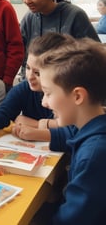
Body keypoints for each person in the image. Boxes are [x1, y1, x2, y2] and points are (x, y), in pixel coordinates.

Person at [36, 38, 106, 224]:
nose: (44, 102)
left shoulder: (95, 154)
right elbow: (70, 135)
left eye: (48, 93)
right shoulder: (92, 128)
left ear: (77, 96)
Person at [0, 32, 74, 144]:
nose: (29, 76)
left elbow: (73, 131)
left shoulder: (66, 94)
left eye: (37, 73)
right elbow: (3, 112)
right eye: (27, 68)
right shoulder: (24, 88)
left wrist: (38, 129)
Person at [20, 0, 100, 72]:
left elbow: (95, 54)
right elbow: (19, 50)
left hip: (66, 81)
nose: (27, 1)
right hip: (34, 80)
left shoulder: (75, 15)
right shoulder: (29, 18)